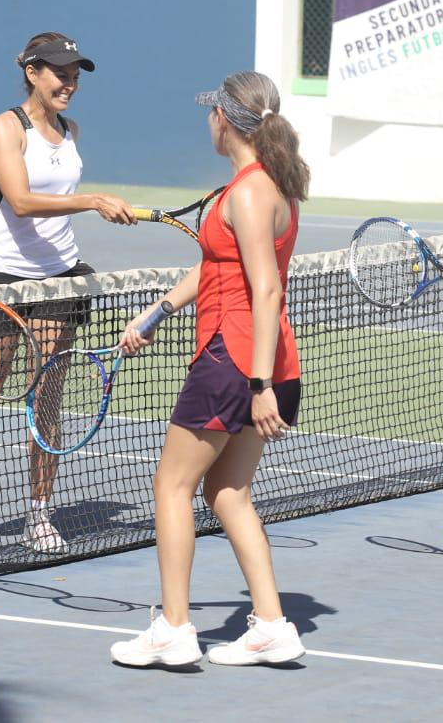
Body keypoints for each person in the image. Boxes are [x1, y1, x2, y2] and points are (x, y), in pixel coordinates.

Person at [108, 71, 310, 668]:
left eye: (211, 112)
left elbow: (266, 288)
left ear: (225, 119)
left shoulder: (248, 193)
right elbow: (220, 265)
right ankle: (271, 625)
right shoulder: (269, 186)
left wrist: (259, 385)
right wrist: (156, 312)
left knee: (171, 486)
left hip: (236, 362)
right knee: (227, 493)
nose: (207, 121)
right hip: (262, 359)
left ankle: (173, 629)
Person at [0, 32, 136, 554]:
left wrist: (94, 206)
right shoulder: (5, 128)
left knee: (47, 396)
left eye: (74, 76)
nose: (69, 84)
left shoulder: (70, 131)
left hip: (59, 279)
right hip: (2, 278)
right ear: (32, 72)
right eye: (59, 74)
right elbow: (21, 201)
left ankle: (39, 514)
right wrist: (92, 200)